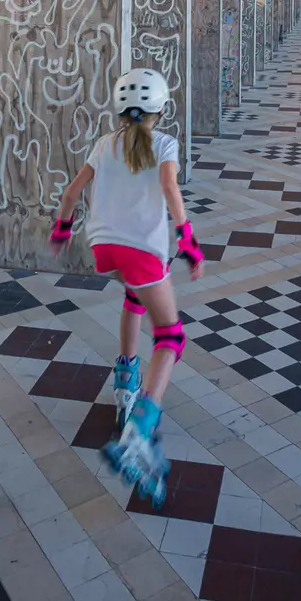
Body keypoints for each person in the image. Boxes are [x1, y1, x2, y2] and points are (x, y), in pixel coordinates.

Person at [50, 68, 203, 507]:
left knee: (135, 295)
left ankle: (125, 377)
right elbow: (171, 189)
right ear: (161, 108)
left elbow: (72, 192)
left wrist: (62, 229)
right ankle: (138, 433)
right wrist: (188, 240)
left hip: (104, 250)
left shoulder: (104, 144)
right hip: (140, 251)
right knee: (172, 336)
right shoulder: (166, 144)